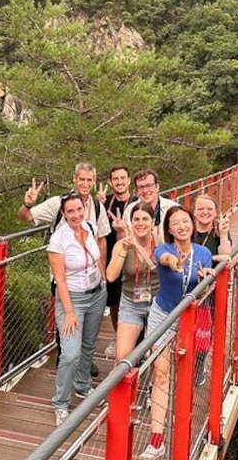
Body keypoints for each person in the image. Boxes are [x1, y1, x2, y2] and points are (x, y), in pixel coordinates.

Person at [19, 163, 111, 378]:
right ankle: (67, 364)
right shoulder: (58, 204)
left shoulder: (97, 207)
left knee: (88, 324)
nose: (86, 184)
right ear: (74, 179)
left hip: (91, 280)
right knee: (67, 328)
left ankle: (82, 363)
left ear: (94, 181)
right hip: (64, 278)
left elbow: (101, 240)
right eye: (82, 179)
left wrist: (103, 273)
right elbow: (26, 218)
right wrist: (27, 204)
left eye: (90, 180)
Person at [140, 206, 214, 459]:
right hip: (163, 316)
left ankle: (184, 432)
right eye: (175, 223)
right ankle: (156, 441)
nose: (181, 226)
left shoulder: (204, 253)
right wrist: (174, 263)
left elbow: (204, 282)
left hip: (190, 318)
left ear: (192, 225)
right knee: (160, 375)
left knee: (186, 376)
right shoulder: (164, 249)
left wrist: (206, 278)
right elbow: (164, 260)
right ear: (169, 229)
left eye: (185, 221)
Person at [47, 193, 107, 426]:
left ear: (85, 209)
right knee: (70, 353)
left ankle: (83, 386)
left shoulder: (90, 227)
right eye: (70, 211)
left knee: (88, 344)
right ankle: (60, 402)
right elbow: (60, 279)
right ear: (63, 213)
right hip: (72, 299)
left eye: (79, 209)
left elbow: (97, 258)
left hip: (96, 294)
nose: (76, 215)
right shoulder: (58, 240)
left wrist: (103, 280)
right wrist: (69, 312)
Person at [105, 203, 160, 362]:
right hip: (131, 303)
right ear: (131, 222)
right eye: (136, 219)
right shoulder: (122, 245)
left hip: (157, 303)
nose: (140, 223)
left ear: (153, 221)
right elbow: (110, 276)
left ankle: (152, 384)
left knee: (158, 357)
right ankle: (123, 386)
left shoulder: (161, 243)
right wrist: (123, 250)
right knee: (122, 358)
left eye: (145, 219)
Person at [97, 165, 137, 357]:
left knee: (134, 297)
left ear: (129, 180)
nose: (119, 182)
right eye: (115, 179)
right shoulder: (106, 205)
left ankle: (138, 340)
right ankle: (118, 335)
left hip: (132, 258)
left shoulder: (137, 203)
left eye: (123, 178)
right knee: (114, 301)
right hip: (112, 259)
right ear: (111, 182)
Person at [192, 194, 232, 385]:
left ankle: (198, 367)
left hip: (212, 291)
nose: (205, 212)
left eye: (209, 209)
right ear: (194, 212)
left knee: (205, 331)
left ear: (216, 212)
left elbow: (228, 258)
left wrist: (224, 235)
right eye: (201, 209)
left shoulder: (219, 231)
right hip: (189, 288)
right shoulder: (187, 229)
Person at [121, 169, 178, 244]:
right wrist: (120, 230)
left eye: (149, 185)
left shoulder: (172, 208)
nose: (145, 190)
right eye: (140, 187)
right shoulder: (129, 210)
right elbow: (125, 239)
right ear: (136, 191)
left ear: (157, 186)